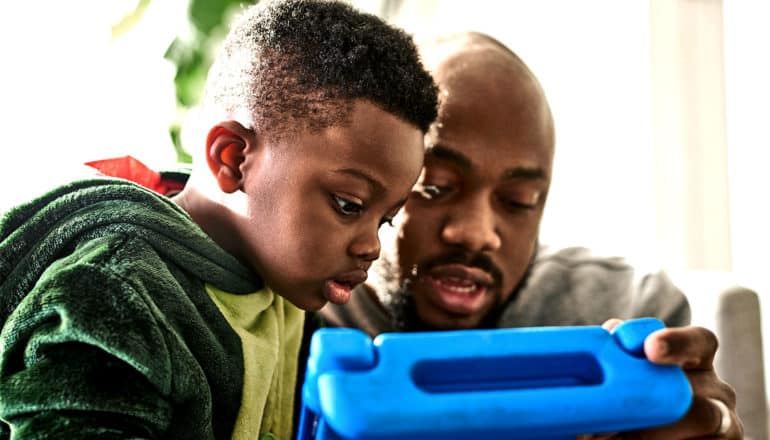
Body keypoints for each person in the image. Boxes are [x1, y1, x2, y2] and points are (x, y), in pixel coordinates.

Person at [0, 1, 437, 438]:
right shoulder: (115, 296)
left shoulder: (286, 294)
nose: (371, 247)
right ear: (233, 159)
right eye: (348, 204)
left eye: (386, 220)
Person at [310, 32, 743, 438]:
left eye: (518, 201)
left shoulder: (629, 313)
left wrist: (712, 425)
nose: (477, 235)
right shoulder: (300, 311)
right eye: (434, 186)